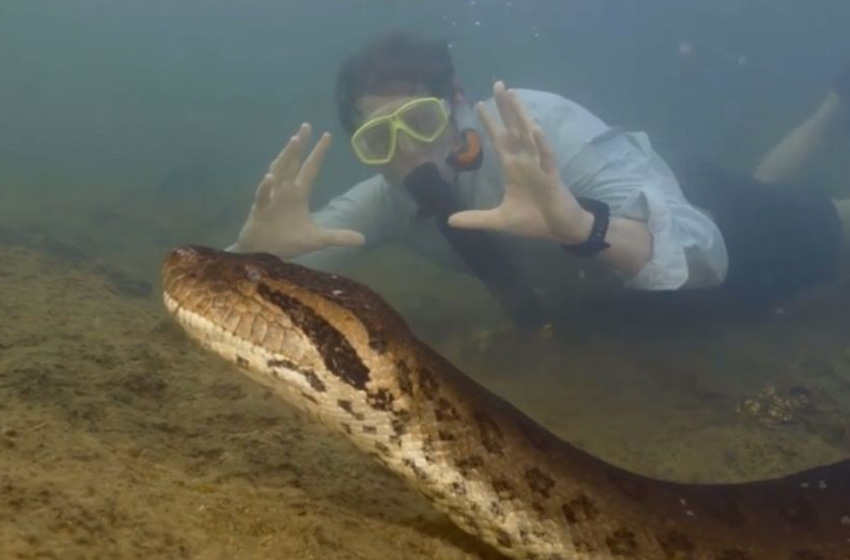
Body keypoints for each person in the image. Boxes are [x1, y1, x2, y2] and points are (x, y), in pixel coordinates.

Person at [228, 32, 850, 330]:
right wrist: (251, 259)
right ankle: (819, 121)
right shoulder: (388, 201)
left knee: (823, 221)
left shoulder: (537, 133)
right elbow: (236, 282)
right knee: (772, 186)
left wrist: (581, 226)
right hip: (629, 298)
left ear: (460, 104)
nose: (410, 153)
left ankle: (829, 109)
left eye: (421, 121)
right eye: (378, 139)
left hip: (700, 205)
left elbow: (705, 253)